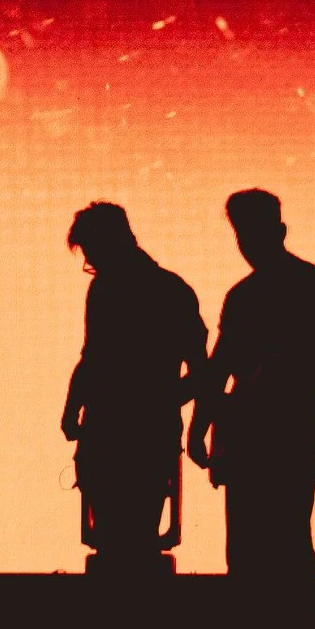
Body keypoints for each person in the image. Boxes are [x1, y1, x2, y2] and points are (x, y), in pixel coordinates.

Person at [190, 191, 315, 629]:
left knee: (257, 547)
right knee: (281, 543)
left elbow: (221, 367)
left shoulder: (252, 294)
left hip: (266, 431)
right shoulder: (310, 285)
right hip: (281, 430)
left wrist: (202, 425)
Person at [62, 202, 209, 569]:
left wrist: (74, 408)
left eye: (92, 252)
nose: (91, 262)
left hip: (124, 435)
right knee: (130, 540)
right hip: (139, 434)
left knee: (122, 544)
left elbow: (92, 358)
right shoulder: (170, 291)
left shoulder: (118, 290)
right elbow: (92, 356)